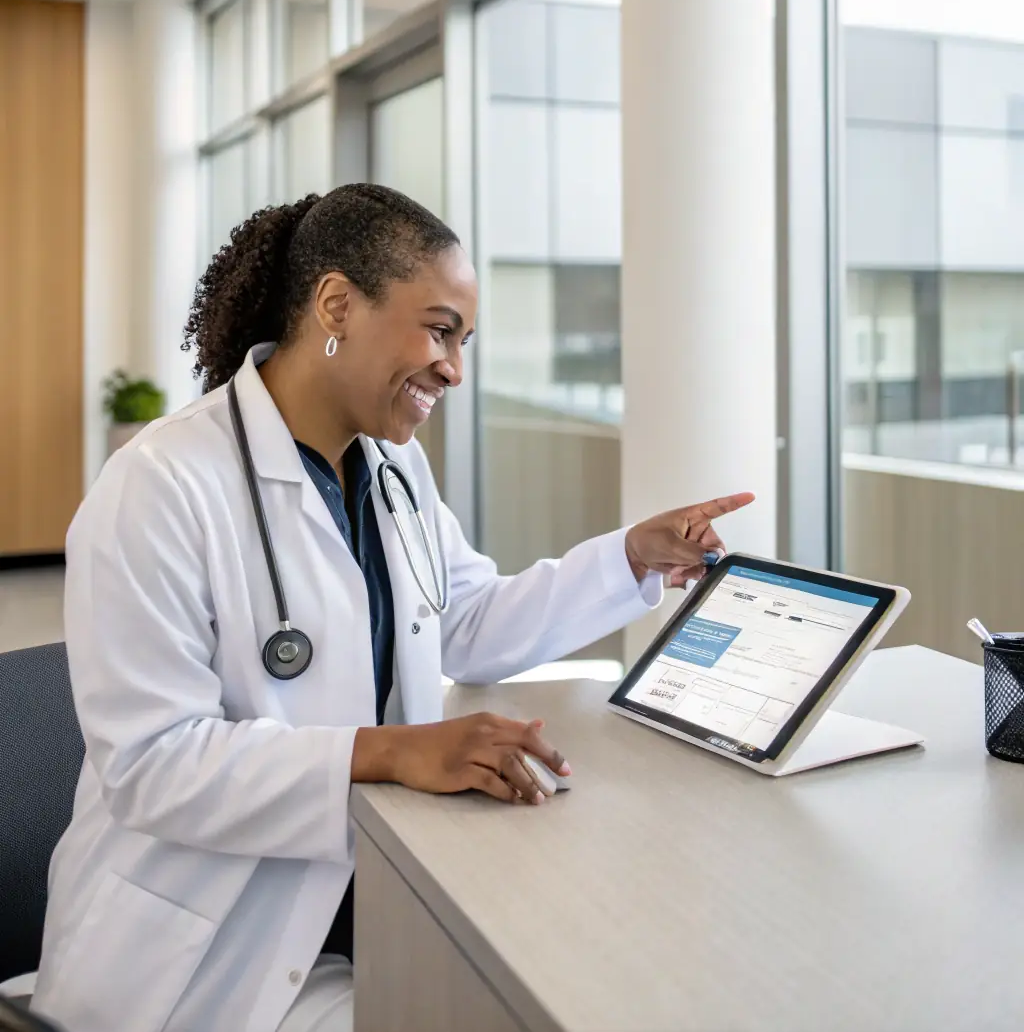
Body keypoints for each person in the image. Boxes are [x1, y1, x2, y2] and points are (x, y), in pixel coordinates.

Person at [31, 184, 753, 1032]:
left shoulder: (392, 467)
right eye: (440, 329)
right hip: (202, 960)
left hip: (364, 900)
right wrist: (396, 750)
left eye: (463, 340)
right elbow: (153, 764)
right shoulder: (159, 484)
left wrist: (628, 555)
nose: (453, 366)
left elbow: (466, 622)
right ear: (336, 303)